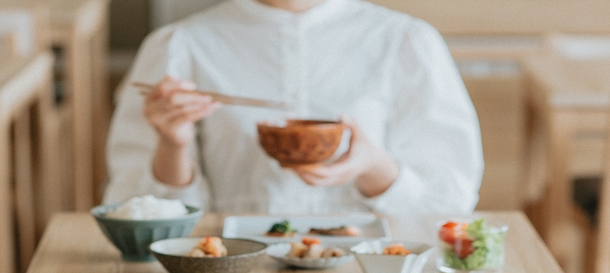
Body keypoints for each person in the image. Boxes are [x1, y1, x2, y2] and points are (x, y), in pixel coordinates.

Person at [104, 0, 484, 215]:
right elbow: (135, 210)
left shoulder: (404, 40)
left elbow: (450, 202)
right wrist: (173, 145)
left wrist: (374, 167)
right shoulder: (182, 44)